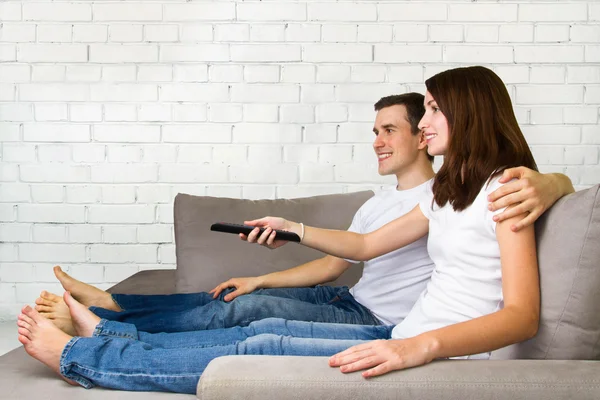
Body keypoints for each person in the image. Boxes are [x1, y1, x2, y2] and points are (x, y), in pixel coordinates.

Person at [18, 66, 553, 393]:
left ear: (469, 114)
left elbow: (522, 316)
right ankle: (109, 332)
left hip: (431, 349)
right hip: (403, 335)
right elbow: (366, 246)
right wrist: (291, 227)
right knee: (255, 334)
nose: (426, 121)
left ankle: (86, 358)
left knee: (256, 346)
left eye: (433, 110)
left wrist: (420, 349)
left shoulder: (507, 188)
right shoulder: (451, 192)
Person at [34, 93, 572, 336]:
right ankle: (111, 305)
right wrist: (263, 270)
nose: (378, 141)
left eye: (391, 129)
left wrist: (554, 182)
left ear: (422, 137)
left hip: (376, 320)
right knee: (237, 294)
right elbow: (343, 261)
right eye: (375, 130)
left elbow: (523, 186)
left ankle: (105, 318)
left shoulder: (449, 193)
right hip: (348, 297)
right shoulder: (384, 201)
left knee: (248, 317)